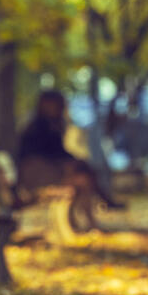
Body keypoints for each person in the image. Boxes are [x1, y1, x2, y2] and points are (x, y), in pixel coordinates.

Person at [15, 90, 125, 230]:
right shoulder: (38, 127)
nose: (61, 107)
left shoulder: (49, 125)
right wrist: (70, 163)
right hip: (37, 176)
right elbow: (45, 155)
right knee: (85, 178)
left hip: (48, 171)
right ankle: (100, 207)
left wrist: (73, 161)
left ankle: (90, 216)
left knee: (85, 176)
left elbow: (57, 152)